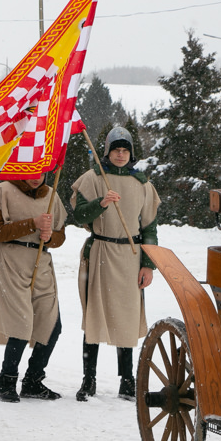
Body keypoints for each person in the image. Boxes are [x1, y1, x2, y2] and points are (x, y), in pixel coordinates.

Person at [71, 127, 160, 402]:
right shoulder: (93, 178)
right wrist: (101, 203)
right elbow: (78, 215)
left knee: (127, 317)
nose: (120, 155)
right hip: (100, 251)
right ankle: (89, 379)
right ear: (107, 151)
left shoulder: (142, 183)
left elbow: (150, 228)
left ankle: (127, 380)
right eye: (115, 150)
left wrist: (148, 264)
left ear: (131, 154)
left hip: (130, 257)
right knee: (94, 316)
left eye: (125, 150)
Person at [0, 172, 66, 402]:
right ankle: (6, 382)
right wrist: (32, 224)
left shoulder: (51, 195)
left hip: (41, 261)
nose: (37, 177)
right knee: (21, 323)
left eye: (42, 171)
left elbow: (60, 235)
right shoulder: (4, 190)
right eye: (32, 170)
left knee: (51, 324)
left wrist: (50, 238)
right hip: (11, 260)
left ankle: (33, 381)